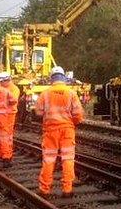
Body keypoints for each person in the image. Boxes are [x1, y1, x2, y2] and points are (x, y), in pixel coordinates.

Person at [36, 66, 84, 198]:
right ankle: (67, 189)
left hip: (50, 131)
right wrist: (71, 123)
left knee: (48, 159)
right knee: (68, 159)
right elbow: (78, 114)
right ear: (63, 78)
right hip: (67, 131)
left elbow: (38, 112)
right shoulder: (71, 93)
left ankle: (44, 190)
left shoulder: (45, 94)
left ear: (52, 78)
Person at [0, 72, 21, 149]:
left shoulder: (14, 89)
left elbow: (13, 100)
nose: (0, 83)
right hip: (2, 113)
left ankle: (7, 149)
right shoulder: (2, 88)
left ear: (7, 80)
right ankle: (2, 150)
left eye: (2, 81)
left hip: (10, 113)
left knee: (7, 132)